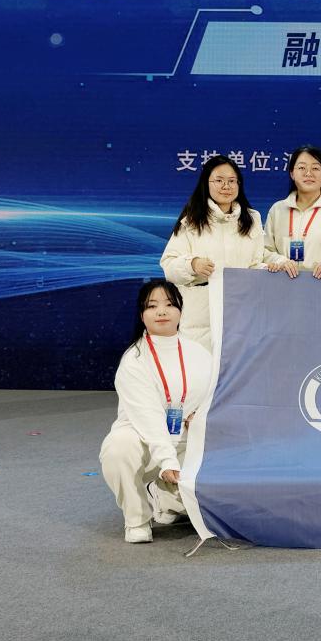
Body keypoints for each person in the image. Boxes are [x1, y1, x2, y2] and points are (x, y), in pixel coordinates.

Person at [100, 281, 213, 543]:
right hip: (145, 440)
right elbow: (149, 418)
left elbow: (214, 396)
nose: (161, 311)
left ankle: (164, 498)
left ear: (181, 311)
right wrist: (167, 461)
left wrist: (201, 414)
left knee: (209, 497)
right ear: (142, 315)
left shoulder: (199, 353)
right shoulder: (134, 360)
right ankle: (137, 519)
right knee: (118, 449)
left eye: (169, 304)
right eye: (152, 306)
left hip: (187, 440)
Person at [160, 156, 269, 349]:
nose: (226, 186)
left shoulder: (252, 219)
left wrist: (271, 268)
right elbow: (168, 265)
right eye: (219, 180)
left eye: (232, 181)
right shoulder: (192, 219)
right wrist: (192, 264)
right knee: (202, 366)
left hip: (242, 315)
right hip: (201, 319)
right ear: (206, 183)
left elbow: (255, 263)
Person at [263, 146, 321, 279]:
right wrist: (280, 261)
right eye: (301, 167)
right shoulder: (277, 210)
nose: (308, 173)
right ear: (292, 174)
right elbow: (264, 249)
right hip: (282, 284)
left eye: (315, 168)